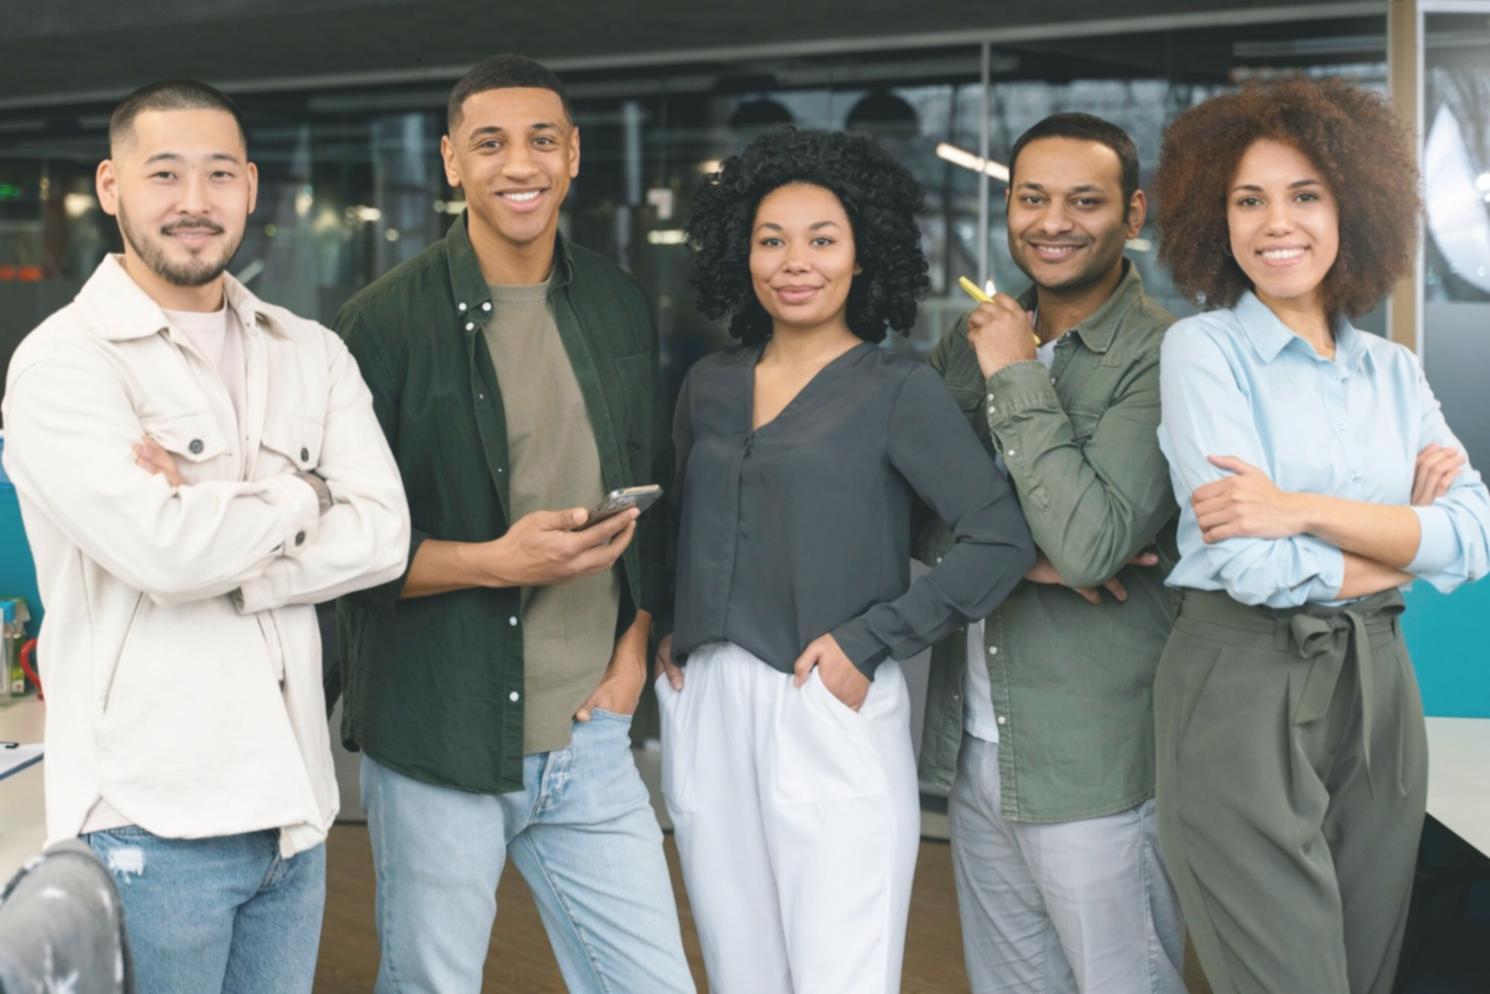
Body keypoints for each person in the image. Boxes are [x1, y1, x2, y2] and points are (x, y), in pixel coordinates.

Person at [0, 79, 409, 994]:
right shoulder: (65, 364)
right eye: (165, 175)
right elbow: (166, 555)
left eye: (219, 174)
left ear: (252, 187)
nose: (195, 202)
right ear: (111, 187)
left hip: (295, 817)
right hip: (150, 823)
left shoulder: (310, 350)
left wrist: (227, 532)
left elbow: (384, 535)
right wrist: (307, 491)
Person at [334, 54, 694, 994]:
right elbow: (338, 552)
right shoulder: (381, 325)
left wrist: (634, 647)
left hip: (592, 737)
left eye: (542, 139)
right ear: (452, 162)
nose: (518, 163)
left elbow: (644, 491)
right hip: (442, 740)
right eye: (489, 143)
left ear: (573, 155)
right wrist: (496, 562)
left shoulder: (616, 301)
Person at [655, 127, 1035, 994]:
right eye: (771, 239)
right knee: (740, 969)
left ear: (864, 257)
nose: (796, 262)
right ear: (739, 254)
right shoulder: (708, 384)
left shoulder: (897, 388)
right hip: (707, 698)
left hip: (823, 694)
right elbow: (674, 519)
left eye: (823, 239)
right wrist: (667, 631)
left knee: (840, 975)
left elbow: (1000, 536)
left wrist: (874, 641)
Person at [1152, 76, 1490, 994]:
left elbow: (1474, 534)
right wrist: (1401, 544)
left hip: (1381, 683)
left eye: (1305, 195)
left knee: (1366, 969)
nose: (1276, 224)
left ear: (1355, 207)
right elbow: (1254, 568)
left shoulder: (1394, 369)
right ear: (1211, 217)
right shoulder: (1202, 350)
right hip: (1241, 683)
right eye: (1247, 200)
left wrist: (1300, 508)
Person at [919, 113, 1185, 994]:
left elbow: (1089, 544)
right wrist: (1013, 555)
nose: (1052, 221)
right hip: (978, 744)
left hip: (1098, 755)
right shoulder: (965, 344)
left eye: (1085, 200)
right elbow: (896, 511)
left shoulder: (1168, 354)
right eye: (1031, 198)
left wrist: (1014, 373)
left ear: (1133, 213)